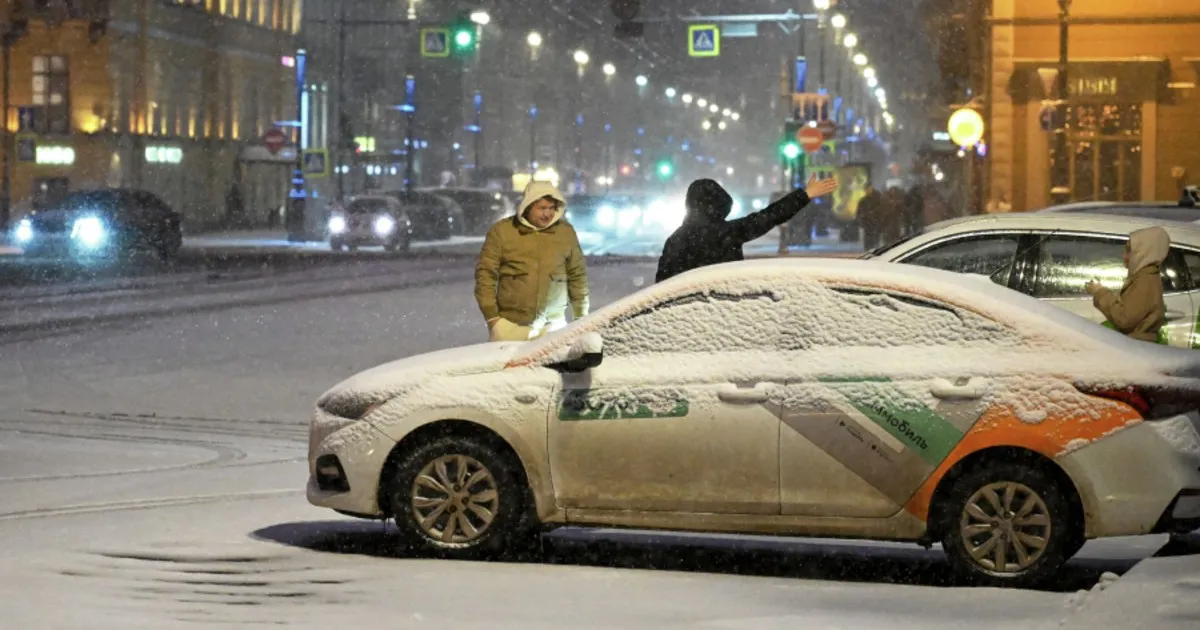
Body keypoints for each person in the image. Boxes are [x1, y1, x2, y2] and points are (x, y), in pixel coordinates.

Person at [656, 174, 839, 282]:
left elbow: (661, 288)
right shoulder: (729, 232)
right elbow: (770, 216)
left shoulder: (675, 240)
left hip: (684, 321)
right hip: (726, 314)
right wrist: (804, 195)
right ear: (721, 204)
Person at [474, 181, 589, 342]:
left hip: (553, 327)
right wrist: (493, 319)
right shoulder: (503, 231)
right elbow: (485, 274)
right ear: (527, 207)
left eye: (551, 208)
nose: (547, 214)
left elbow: (577, 275)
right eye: (542, 208)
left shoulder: (565, 233)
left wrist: (581, 317)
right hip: (510, 327)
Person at [1085, 226, 1169, 343]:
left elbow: (1124, 319)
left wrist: (1100, 292)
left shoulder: (1145, 282)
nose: (1124, 257)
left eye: (1130, 251)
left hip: (1137, 347)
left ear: (1144, 253)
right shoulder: (1144, 278)